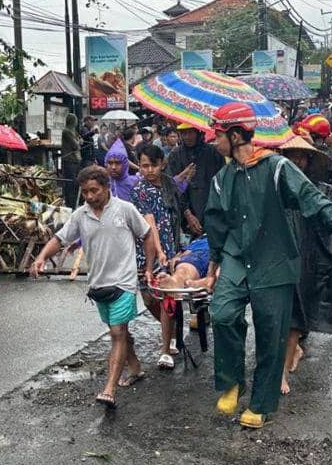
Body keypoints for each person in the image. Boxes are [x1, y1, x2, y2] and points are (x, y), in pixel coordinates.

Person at [203, 102, 332, 429]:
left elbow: (311, 197)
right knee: (222, 312)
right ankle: (232, 381)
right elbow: (216, 223)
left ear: (234, 136)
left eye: (217, 134)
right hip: (235, 257)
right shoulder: (222, 178)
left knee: (271, 330)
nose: (212, 141)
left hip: (273, 259)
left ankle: (261, 404)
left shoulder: (277, 168)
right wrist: (214, 264)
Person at [30, 166, 156, 408]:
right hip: (98, 285)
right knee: (119, 331)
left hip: (124, 282)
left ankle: (109, 389)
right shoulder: (81, 215)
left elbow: (148, 234)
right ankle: (136, 367)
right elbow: (60, 238)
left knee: (117, 333)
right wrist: (41, 257)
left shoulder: (124, 210)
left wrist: (148, 268)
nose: (89, 196)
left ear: (107, 187)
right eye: (85, 192)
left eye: (94, 191)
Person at [278, 136, 332, 395]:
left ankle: (281, 372)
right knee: (273, 317)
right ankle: (282, 358)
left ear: (310, 160)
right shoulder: (274, 186)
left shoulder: (322, 190)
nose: (297, 161)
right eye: (292, 156)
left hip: (307, 259)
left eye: (302, 157)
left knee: (295, 317)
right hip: (276, 258)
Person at [133, 145, 184, 370]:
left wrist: (174, 248)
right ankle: (170, 330)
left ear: (162, 163)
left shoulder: (169, 184)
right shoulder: (139, 190)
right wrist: (159, 250)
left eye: (154, 165)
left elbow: (178, 212)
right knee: (148, 299)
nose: (150, 170)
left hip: (171, 249)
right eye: (145, 165)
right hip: (146, 251)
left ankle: (165, 348)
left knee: (166, 298)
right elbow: (149, 222)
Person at [166, 123, 225, 237]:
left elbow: (222, 184)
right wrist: (187, 214)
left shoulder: (213, 152)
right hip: (187, 216)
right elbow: (173, 188)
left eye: (190, 132)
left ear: (198, 132)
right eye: (183, 133)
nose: (186, 137)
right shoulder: (175, 155)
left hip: (213, 211)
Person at [61, 113, 82, 207]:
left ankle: (74, 203)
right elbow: (75, 145)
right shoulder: (66, 131)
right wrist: (79, 142)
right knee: (70, 183)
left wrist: (79, 141)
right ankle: (70, 203)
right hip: (69, 160)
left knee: (76, 183)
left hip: (76, 160)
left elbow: (79, 139)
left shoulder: (74, 131)